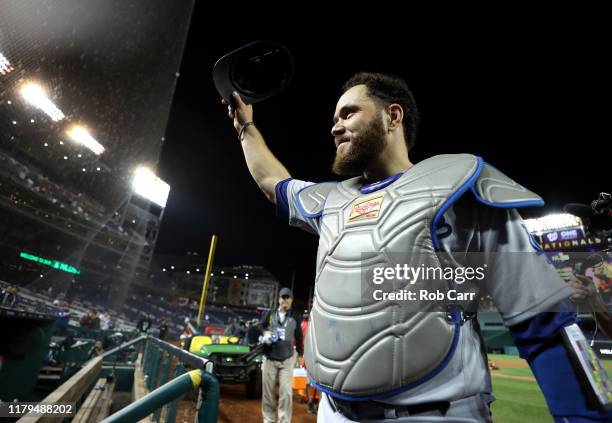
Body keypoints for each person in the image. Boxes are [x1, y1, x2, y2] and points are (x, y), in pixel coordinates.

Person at [222, 71, 611, 422]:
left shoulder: (460, 185)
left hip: (432, 413)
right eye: (335, 118)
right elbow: (273, 181)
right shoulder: (331, 202)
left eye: (348, 113)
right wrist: (245, 127)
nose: (335, 126)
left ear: (393, 116)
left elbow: (542, 321)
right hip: (334, 412)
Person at [259, 287, 303, 423]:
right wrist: (264, 335)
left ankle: (284, 420)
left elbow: (299, 336)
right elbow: (261, 327)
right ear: (278, 299)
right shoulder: (270, 314)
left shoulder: (295, 316)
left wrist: (300, 354)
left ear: (291, 300)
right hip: (270, 358)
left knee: (286, 392)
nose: (285, 300)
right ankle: (268, 420)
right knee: (267, 393)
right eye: (283, 297)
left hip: (287, 358)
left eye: (287, 297)